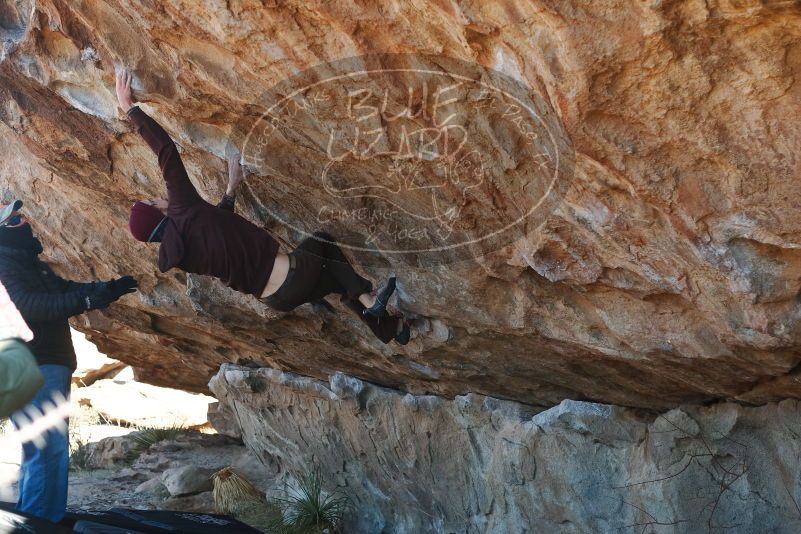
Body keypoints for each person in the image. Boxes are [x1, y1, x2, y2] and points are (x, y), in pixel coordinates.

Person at [115, 68, 410, 344]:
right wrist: (130, 108)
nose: (160, 197)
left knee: (338, 278)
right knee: (325, 243)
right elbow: (166, 151)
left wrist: (231, 190)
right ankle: (371, 301)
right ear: (159, 211)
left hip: (278, 299)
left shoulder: (181, 252)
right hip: (292, 275)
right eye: (154, 200)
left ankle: (389, 328)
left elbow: (217, 230)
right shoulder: (182, 209)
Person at [0, 199, 138, 522]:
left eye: (20, 216)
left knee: (47, 450)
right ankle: (38, 524)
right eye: (14, 220)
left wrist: (105, 290)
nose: (23, 223)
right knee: (48, 450)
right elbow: (27, 305)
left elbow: (64, 290)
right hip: (32, 365)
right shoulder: (3, 264)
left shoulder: (29, 264)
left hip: (43, 364)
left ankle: (37, 520)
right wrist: (85, 299)